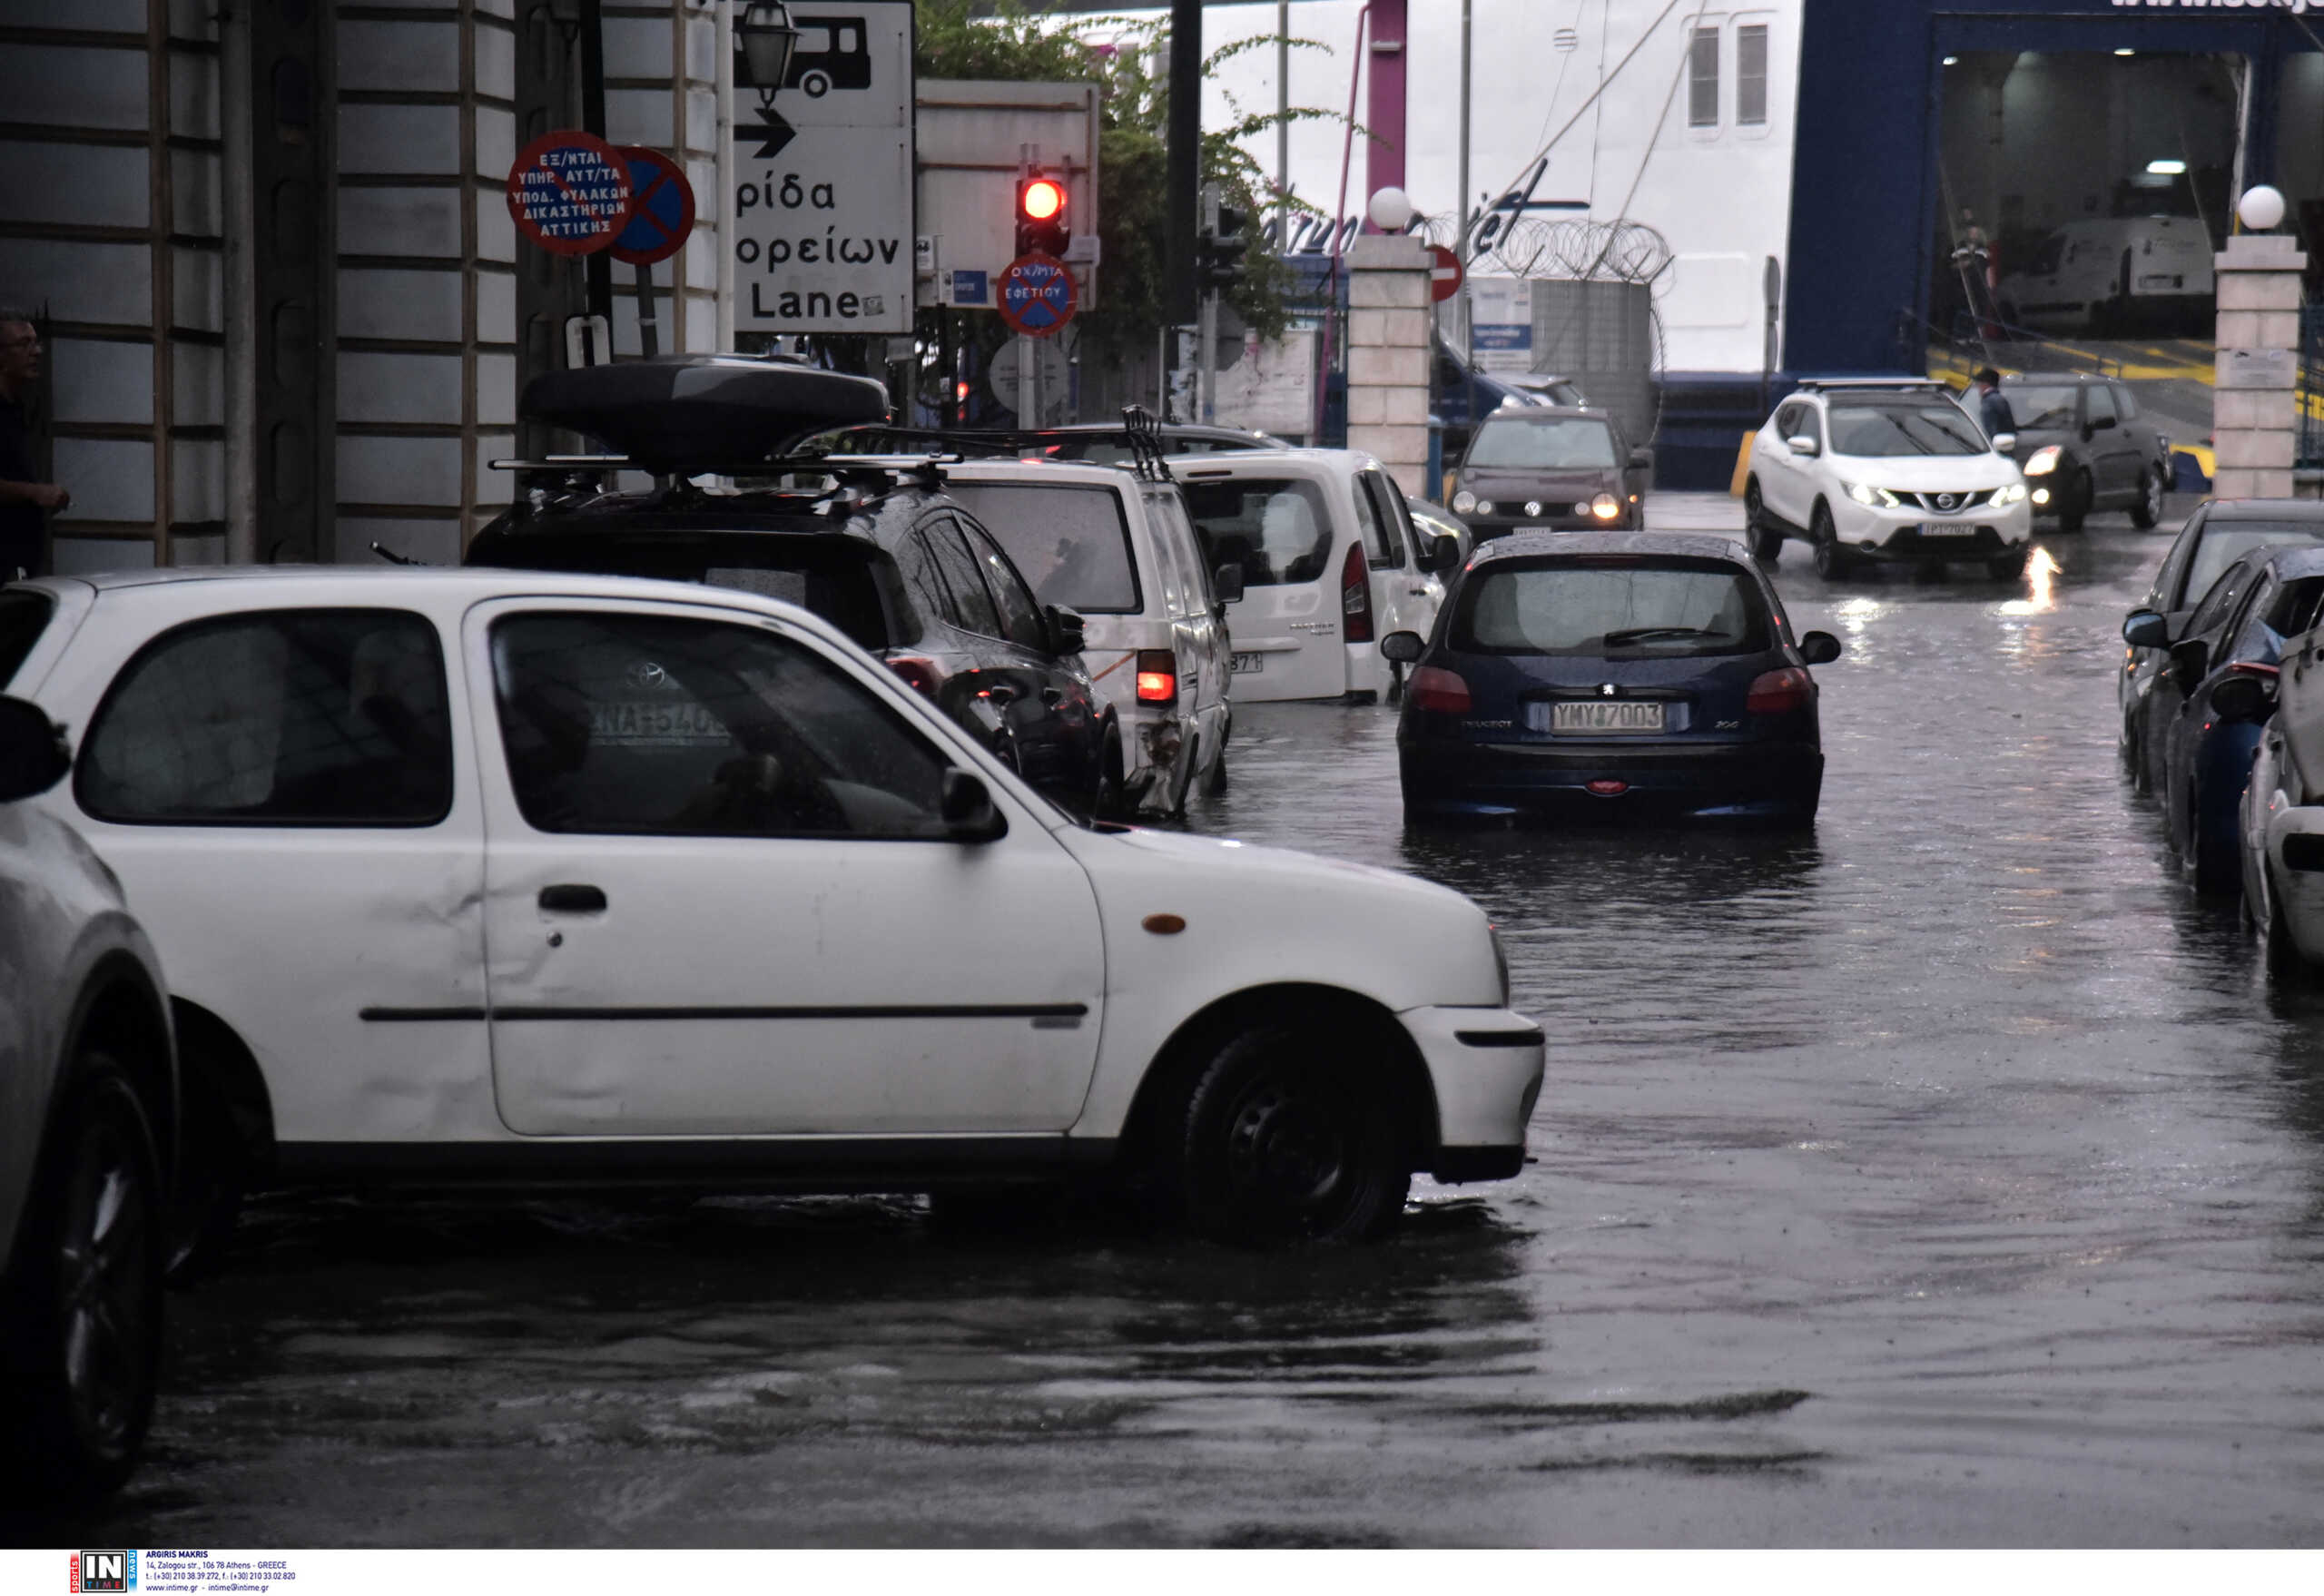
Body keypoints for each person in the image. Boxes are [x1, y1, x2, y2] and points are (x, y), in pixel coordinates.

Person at [0, 314, 66, 579]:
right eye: (24, 344)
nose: (36, 352)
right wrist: (34, 492)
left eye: (36, 343)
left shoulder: (16, 409)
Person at [1973, 367, 2014, 442]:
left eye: (1979, 384)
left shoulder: (1990, 401)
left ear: (1985, 384)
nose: (1978, 387)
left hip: (1995, 446)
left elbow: (1990, 429)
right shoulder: (1998, 399)